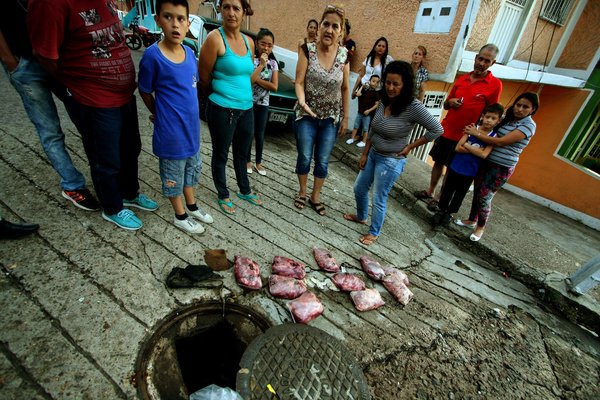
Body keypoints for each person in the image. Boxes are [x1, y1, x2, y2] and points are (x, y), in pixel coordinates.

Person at [28, 0, 158, 231]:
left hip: (123, 94)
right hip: (93, 97)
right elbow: (45, 54)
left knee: (131, 148)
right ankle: (113, 207)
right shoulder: (50, 4)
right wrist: (74, 85)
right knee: (105, 159)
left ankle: (129, 193)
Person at [0, 0, 100, 212]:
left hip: (61, 60)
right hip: (24, 63)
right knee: (50, 130)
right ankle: (72, 185)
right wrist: (10, 62)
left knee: (88, 120)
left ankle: (103, 177)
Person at [344, 61, 443, 245]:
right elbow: (373, 128)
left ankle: (374, 232)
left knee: (378, 197)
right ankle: (361, 216)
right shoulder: (384, 99)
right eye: (388, 82)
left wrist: (410, 147)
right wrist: (365, 153)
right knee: (359, 188)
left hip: (390, 161)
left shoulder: (413, 106)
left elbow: (437, 129)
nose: (390, 87)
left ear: (405, 85)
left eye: (396, 84)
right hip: (373, 153)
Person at [138, 0, 214, 234]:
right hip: (171, 134)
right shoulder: (153, 57)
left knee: (192, 170)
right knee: (173, 176)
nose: (175, 24)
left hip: (191, 131)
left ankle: (191, 206)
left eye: (181, 18)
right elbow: (144, 89)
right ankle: (180, 215)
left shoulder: (190, 53)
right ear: (158, 19)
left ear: (188, 23)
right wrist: (157, 113)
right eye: (168, 17)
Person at [413, 44, 502, 210]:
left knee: (451, 167)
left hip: (466, 135)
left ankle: (440, 198)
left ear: (493, 63)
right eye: (480, 59)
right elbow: (446, 104)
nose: (482, 63)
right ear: (476, 57)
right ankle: (430, 190)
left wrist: (479, 133)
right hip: (447, 129)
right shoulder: (462, 79)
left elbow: (492, 113)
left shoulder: (495, 84)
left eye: (486, 61)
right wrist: (450, 102)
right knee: (438, 161)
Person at [198, 0, 262, 215]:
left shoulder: (249, 42)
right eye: (226, 7)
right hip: (222, 108)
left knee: (242, 154)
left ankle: (244, 190)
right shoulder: (214, 39)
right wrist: (218, 97)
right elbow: (203, 79)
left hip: (246, 108)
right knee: (221, 154)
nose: (230, 13)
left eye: (236, 8)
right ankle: (223, 193)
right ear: (221, 10)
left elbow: (247, 76)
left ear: (244, 12)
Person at [456, 92, 539, 241]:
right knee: (477, 192)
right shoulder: (509, 119)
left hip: (501, 167)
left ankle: (480, 227)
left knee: (485, 196)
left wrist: (475, 133)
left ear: (533, 109)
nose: (520, 109)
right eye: (518, 105)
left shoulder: (528, 125)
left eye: (525, 107)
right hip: (485, 161)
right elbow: (490, 130)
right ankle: (471, 220)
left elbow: (501, 141)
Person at [293, 4, 350, 216]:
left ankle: (315, 197)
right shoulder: (307, 50)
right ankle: (302, 192)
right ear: (319, 27)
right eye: (326, 24)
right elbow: (299, 82)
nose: (329, 30)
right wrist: (303, 103)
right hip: (306, 115)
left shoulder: (344, 55)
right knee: (305, 156)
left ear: (341, 32)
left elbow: (345, 87)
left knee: (323, 160)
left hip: (330, 119)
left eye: (335, 26)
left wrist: (345, 117)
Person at [431, 103, 504, 226]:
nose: (489, 121)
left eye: (493, 118)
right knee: (448, 189)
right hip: (456, 166)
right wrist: (476, 150)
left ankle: (449, 213)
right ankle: (441, 210)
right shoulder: (471, 128)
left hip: (471, 171)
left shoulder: (493, 137)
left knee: (460, 194)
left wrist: (468, 145)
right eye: (487, 117)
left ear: (498, 121)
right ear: (482, 116)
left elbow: (483, 155)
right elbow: (458, 147)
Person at [246, 28, 278, 177]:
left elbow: (274, 86)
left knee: (260, 134)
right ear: (257, 44)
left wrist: (257, 79)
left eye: (269, 45)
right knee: (249, 132)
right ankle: (247, 161)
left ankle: (258, 162)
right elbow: (248, 82)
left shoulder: (273, 64)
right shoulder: (251, 60)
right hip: (249, 102)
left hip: (263, 104)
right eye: (263, 44)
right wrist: (260, 66)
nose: (266, 47)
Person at [346, 74, 380, 147]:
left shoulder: (376, 93)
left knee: (365, 128)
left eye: (377, 82)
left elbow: (377, 104)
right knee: (356, 126)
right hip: (360, 112)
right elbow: (358, 94)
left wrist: (369, 110)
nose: (375, 83)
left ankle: (364, 141)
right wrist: (362, 86)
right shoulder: (364, 91)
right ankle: (352, 138)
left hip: (367, 115)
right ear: (369, 81)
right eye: (373, 81)